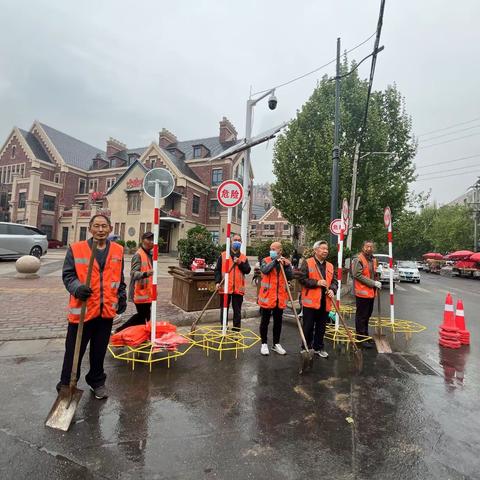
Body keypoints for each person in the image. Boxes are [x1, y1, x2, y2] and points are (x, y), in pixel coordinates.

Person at [58, 214, 126, 399]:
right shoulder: (77, 249)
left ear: (110, 229)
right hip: (83, 312)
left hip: (105, 313)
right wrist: (77, 288)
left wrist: (121, 296)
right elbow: (68, 275)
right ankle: (66, 385)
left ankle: (97, 381)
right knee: (74, 352)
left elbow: (119, 278)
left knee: (99, 351)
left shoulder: (118, 250)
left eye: (104, 226)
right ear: (90, 228)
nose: (100, 230)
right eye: (96, 226)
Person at [298, 240, 338, 358]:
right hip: (310, 301)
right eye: (322, 248)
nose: (325, 251)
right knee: (308, 326)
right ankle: (306, 347)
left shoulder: (330, 265)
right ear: (315, 250)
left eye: (326, 249)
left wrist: (332, 289)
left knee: (321, 327)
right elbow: (302, 279)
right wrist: (317, 282)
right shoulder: (308, 262)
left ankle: (318, 347)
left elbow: (335, 281)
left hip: (325, 301)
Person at [258, 241, 293, 356]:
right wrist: (274, 261)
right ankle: (264, 344)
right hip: (267, 298)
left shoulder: (286, 262)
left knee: (278, 322)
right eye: (271, 248)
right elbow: (265, 270)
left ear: (280, 251)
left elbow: (290, 276)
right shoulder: (266, 260)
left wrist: (286, 265)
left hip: (280, 298)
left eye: (274, 249)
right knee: (265, 322)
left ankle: (276, 344)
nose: (271, 251)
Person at [115, 231, 154, 333]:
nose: (151, 241)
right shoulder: (138, 255)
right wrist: (145, 274)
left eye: (152, 239)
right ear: (142, 241)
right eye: (148, 239)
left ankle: (141, 335)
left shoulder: (150, 255)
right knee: (142, 316)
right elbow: (133, 273)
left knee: (146, 316)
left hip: (147, 292)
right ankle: (119, 330)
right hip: (139, 292)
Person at [214, 234, 251, 330]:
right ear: (231, 241)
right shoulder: (223, 255)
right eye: (235, 240)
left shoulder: (243, 257)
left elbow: (247, 270)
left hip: (238, 289)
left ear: (241, 242)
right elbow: (217, 270)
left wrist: (240, 263)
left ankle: (236, 330)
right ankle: (224, 328)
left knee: (237, 312)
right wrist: (217, 282)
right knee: (224, 310)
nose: (237, 242)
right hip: (225, 288)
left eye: (239, 240)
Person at [352, 240, 381, 348]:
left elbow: (372, 273)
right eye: (367, 246)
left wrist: (378, 274)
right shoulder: (358, 259)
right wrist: (373, 283)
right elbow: (356, 274)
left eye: (371, 247)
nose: (369, 248)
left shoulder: (373, 259)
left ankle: (365, 336)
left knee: (367, 315)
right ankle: (360, 338)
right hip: (362, 293)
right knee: (361, 316)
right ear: (363, 247)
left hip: (371, 293)